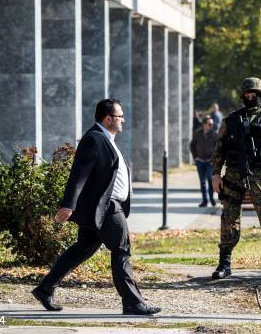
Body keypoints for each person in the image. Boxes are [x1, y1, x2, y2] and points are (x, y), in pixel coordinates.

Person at [31, 99, 161, 316]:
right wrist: (67, 205)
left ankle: (45, 289)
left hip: (103, 207)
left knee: (82, 248)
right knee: (121, 249)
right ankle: (133, 303)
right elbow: (78, 175)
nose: (123, 120)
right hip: (106, 207)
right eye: (120, 116)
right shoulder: (94, 139)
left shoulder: (105, 139)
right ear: (107, 118)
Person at [210, 77, 261, 280]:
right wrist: (215, 174)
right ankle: (224, 263)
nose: (249, 98)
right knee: (229, 217)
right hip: (234, 173)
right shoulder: (231, 120)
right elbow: (219, 149)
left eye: (253, 95)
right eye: (246, 96)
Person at [190, 116, 218, 207]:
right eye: (209, 124)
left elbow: (217, 148)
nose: (211, 126)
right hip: (200, 161)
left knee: (210, 180)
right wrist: (195, 157)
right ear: (204, 124)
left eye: (212, 124)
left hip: (210, 162)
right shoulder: (197, 133)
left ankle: (211, 198)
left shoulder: (214, 134)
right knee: (202, 181)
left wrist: (213, 159)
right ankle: (204, 200)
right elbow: (192, 145)